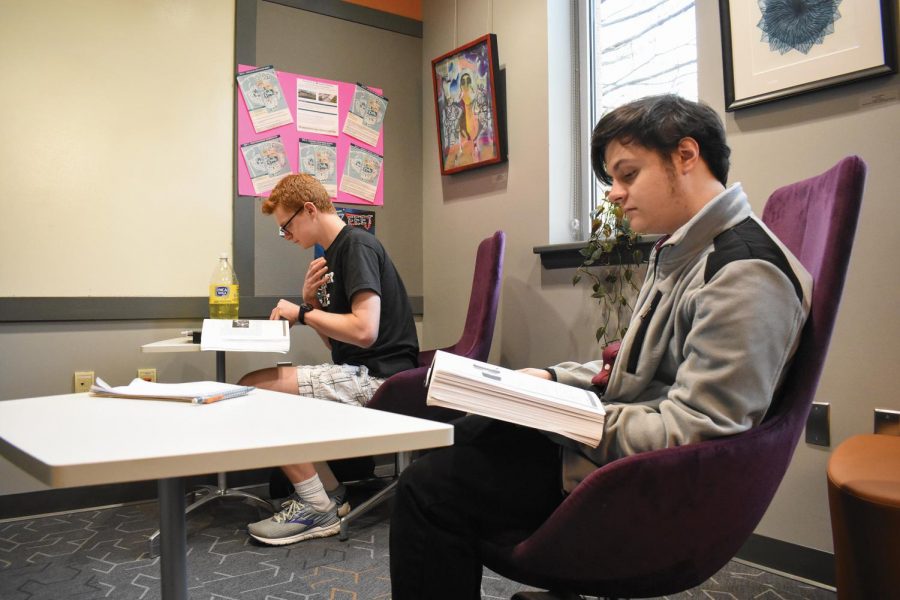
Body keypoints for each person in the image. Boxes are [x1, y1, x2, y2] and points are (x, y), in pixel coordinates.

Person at [388, 94, 812, 599]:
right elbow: (637, 368)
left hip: (636, 487)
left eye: (627, 174)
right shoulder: (687, 250)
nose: (614, 193)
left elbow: (696, 433)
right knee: (470, 431)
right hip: (614, 450)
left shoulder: (743, 273)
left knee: (428, 490)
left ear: (686, 155)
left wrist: (567, 416)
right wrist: (550, 381)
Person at [241, 174, 418, 546]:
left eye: (286, 227)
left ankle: (315, 506)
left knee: (252, 390)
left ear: (308, 210)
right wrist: (314, 304)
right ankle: (328, 492)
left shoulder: (356, 246)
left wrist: (303, 314)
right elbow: (338, 343)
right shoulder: (333, 255)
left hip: (381, 378)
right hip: (356, 368)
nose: (286, 236)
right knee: (257, 388)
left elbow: (365, 330)